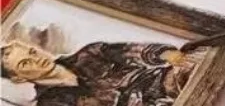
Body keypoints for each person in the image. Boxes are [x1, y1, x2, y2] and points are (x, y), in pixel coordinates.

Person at [1, 37, 199, 106]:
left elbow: (132, 52)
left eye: (32, 52)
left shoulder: (90, 54)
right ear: (18, 78)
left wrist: (164, 54)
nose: (37, 59)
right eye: (25, 64)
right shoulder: (51, 103)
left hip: (166, 85)